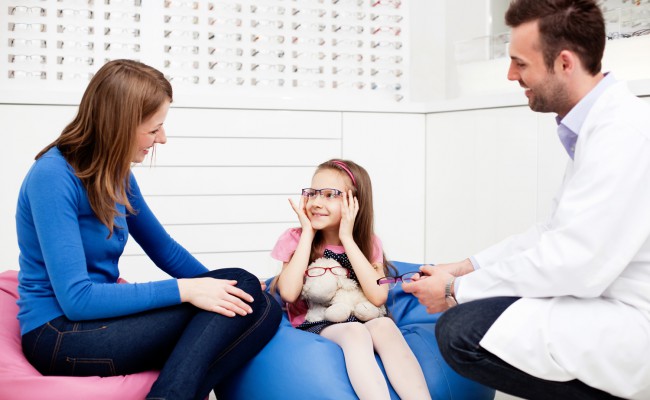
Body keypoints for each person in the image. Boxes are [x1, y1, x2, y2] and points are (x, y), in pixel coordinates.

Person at [403, 1, 650, 399]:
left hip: (632, 325)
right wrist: (466, 269)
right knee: (482, 314)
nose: (511, 74)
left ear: (564, 63)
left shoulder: (621, 134)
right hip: (604, 305)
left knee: (462, 330)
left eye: (520, 62)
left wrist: (455, 291)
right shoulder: (598, 127)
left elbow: (574, 265)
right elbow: (552, 233)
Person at [15, 59, 282, 400]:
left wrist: (218, 286)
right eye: (154, 128)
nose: (163, 138)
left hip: (94, 322)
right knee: (247, 294)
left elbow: (164, 249)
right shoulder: (52, 176)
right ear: (120, 124)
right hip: (57, 334)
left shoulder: (116, 175)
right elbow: (77, 300)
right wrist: (187, 289)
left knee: (257, 300)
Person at [270, 159, 431, 400]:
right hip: (317, 322)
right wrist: (307, 233)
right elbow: (289, 293)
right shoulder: (294, 238)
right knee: (355, 332)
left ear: (353, 202)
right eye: (312, 193)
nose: (316, 202)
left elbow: (378, 297)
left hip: (363, 313)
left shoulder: (368, 242)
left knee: (385, 325)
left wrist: (347, 237)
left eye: (328, 195)